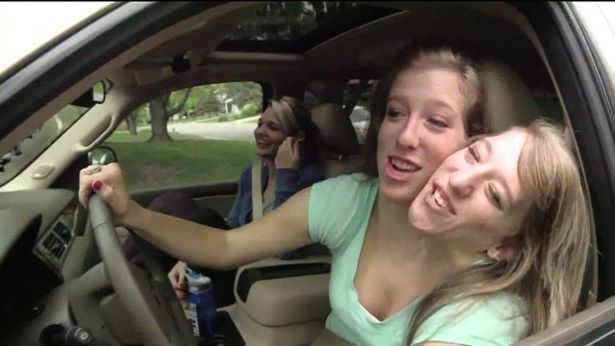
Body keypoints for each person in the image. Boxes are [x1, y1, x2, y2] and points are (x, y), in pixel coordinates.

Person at [79, 48, 590, 345]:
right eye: (393, 112)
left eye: (435, 122)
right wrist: (132, 212)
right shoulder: (350, 199)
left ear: (468, 135)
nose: (403, 136)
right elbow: (227, 248)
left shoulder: (482, 319)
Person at [160, 96, 325, 307]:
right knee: (173, 205)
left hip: (267, 275)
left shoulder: (312, 180)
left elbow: (286, 250)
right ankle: (143, 281)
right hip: (238, 260)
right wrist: (189, 257)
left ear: (296, 138)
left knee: (204, 218)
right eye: (259, 124)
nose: (259, 132)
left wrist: (285, 173)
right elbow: (234, 226)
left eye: (272, 127)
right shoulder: (254, 174)